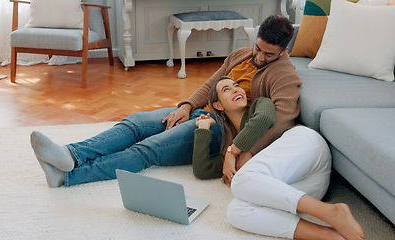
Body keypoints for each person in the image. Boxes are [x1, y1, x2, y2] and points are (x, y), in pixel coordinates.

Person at [30, 14, 301, 187]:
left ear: (283, 50)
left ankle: (68, 176)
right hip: (203, 111)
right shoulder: (242, 54)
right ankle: (71, 154)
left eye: (268, 54)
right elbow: (211, 83)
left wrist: (245, 150)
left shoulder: (284, 74)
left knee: (148, 149)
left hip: (221, 127)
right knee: (134, 123)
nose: (260, 57)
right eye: (258, 48)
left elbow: (281, 120)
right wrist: (185, 106)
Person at [194, 76, 366, 240]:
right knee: (237, 211)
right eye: (226, 89)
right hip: (307, 188)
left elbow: (264, 118)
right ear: (218, 105)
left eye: (236, 85)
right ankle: (330, 236)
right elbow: (204, 170)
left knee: (241, 180)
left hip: (306, 146)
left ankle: (331, 213)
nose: (235, 89)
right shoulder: (229, 146)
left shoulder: (260, 105)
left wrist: (233, 152)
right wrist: (203, 129)